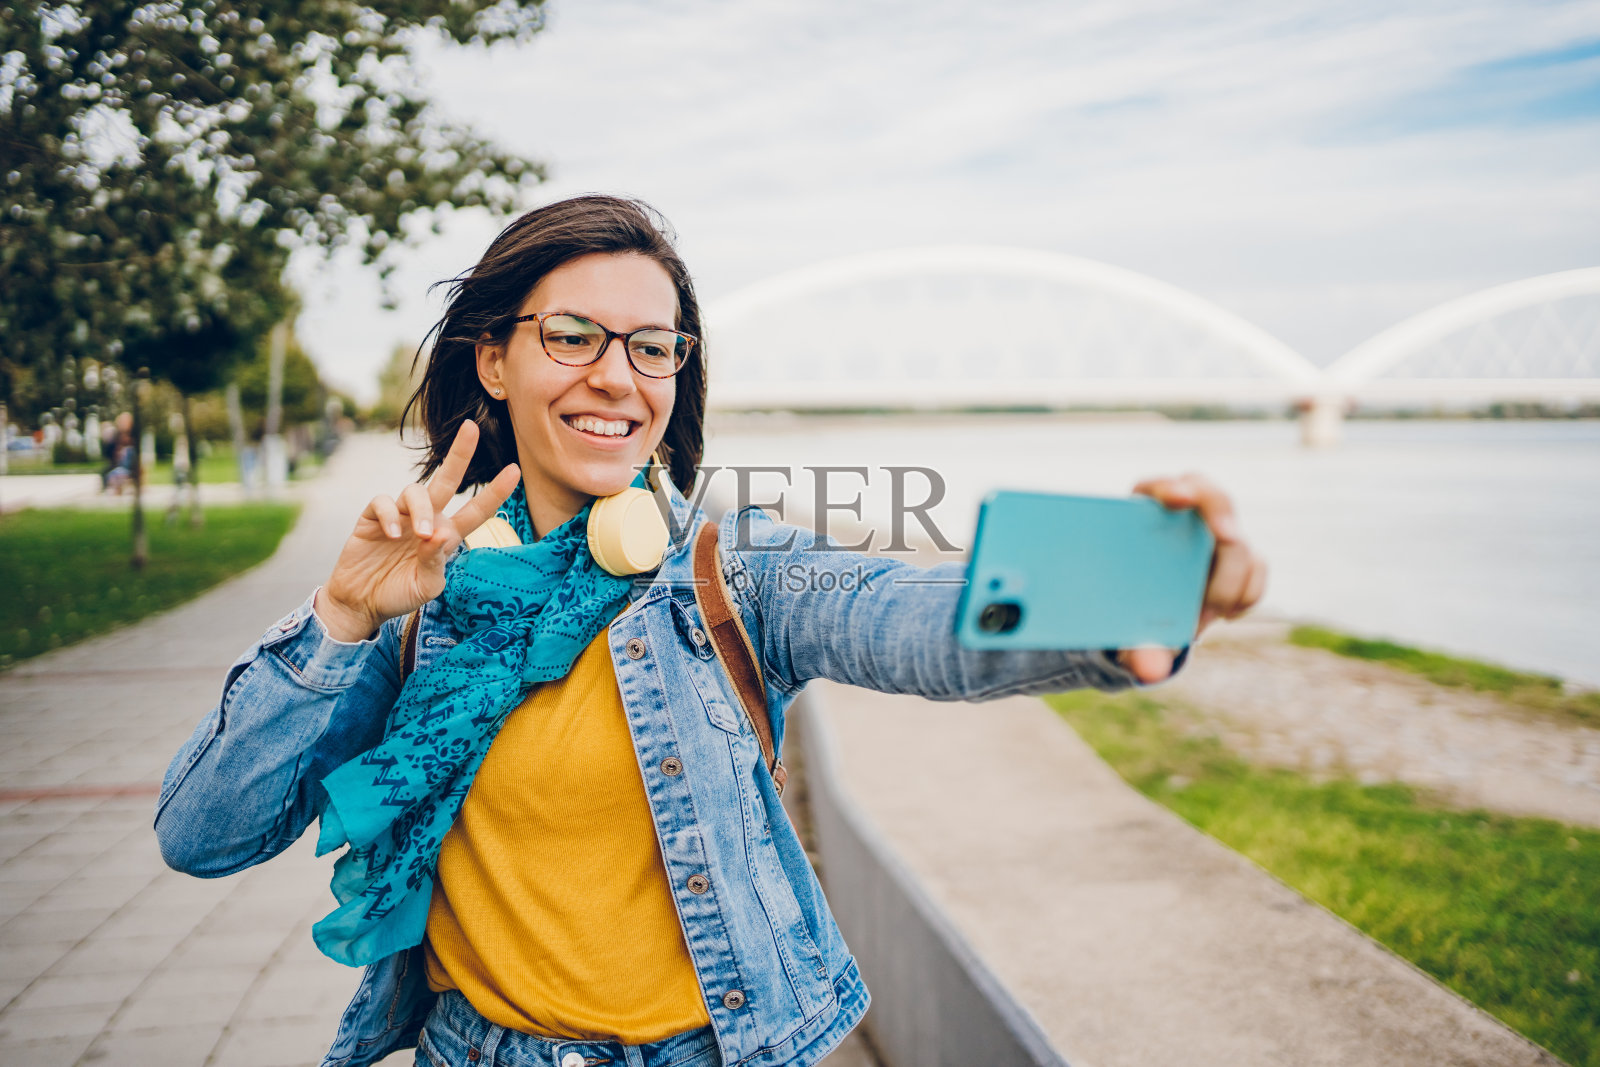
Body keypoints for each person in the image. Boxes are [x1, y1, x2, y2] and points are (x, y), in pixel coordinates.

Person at [155, 195, 1265, 1067]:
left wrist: (1132, 600)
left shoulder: (730, 569)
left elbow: (911, 617)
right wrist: (343, 615)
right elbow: (204, 833)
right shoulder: (420, 598)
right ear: (494, 359)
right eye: (575, 335)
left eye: (652, 347)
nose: (618, 377)